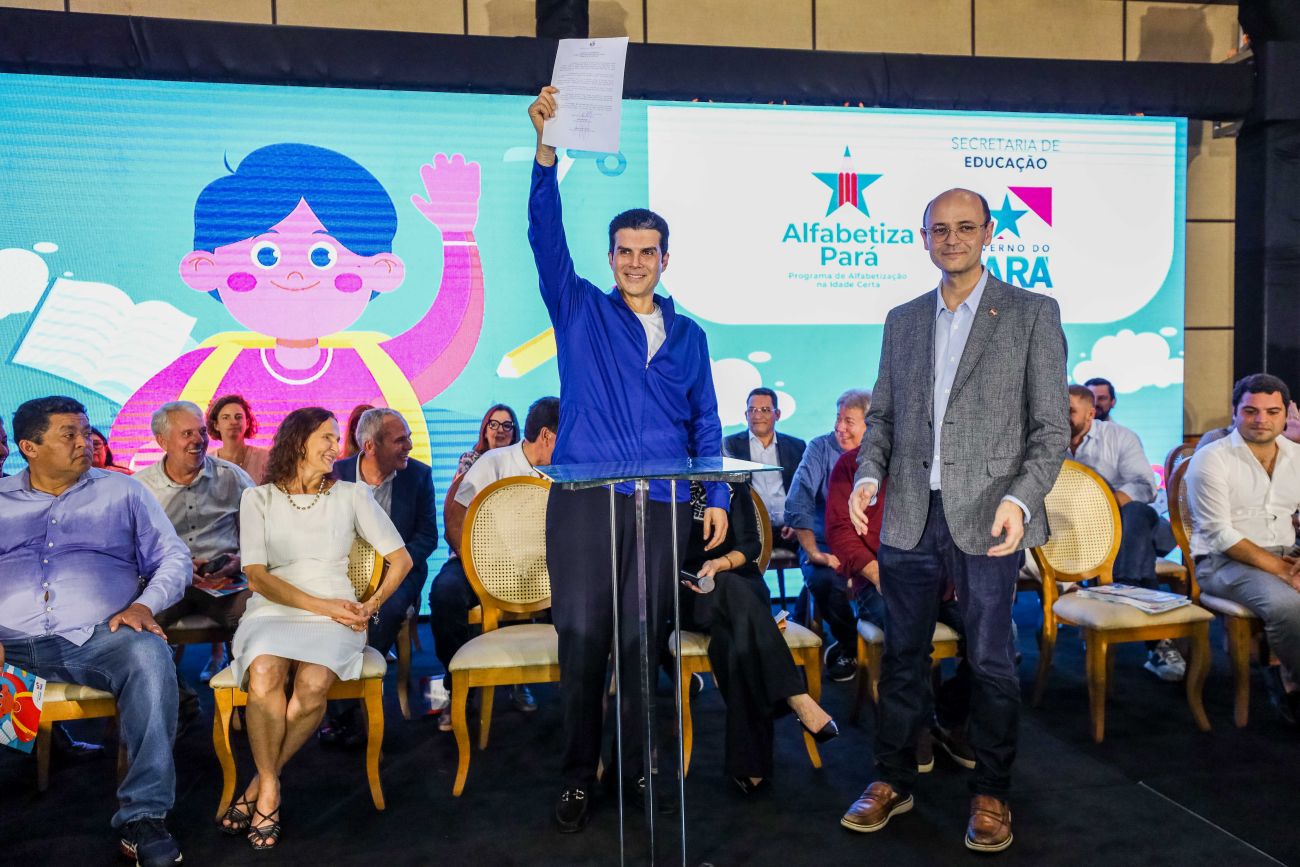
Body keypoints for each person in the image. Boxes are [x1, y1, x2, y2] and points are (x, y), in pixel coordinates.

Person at [842, 188, 1068, 853]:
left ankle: (992, 791)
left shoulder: (1031, 312)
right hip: (910, 515)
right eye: (939, 229)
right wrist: (869, 474)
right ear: (923, 238)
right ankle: (892, 778)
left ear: (989, 232)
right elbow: (883, 418)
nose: (952, 238)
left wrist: (1020, 500)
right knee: (903, 655)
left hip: (991, 515)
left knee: (992, 660)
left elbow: (1051, 430)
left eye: (965, 227)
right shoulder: (903, 319)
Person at [529, 86, 729, 833]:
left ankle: (640, 770)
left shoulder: (691, 336)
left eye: (648, 252)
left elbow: (705, 421)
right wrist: (545, 154)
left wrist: (714, 498)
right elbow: (544, 236)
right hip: (585, 505)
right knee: (583, 647)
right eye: (625, 251)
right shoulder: (580, 309)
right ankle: (579, 776)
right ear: (610, 257)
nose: (636, 262)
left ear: (664, 259)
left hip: (664, 505)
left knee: (645, 648)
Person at [0, 396, 191, 867]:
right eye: (69, 435)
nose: (84, 443)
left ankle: (143, 817)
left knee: (149, 655)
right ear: (29, 447)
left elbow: (174, 557)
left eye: (86, 433)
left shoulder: (123, 492)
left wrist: (145, 604)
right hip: (8, 643)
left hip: (96, 638)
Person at [221, 406, 412, 850]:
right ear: (299, 441)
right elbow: (258, 578)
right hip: (272, 610)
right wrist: (322, 606)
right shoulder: (258, 499)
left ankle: (259, 786)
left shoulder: (351, 495)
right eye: (326, 437)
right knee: (264, 672)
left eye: (335, 437)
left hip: (337, 613)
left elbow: (401, 559)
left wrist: (369, 606)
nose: (335, 446)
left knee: (312, 684)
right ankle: (270, 787)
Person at [679, 481, 837, 792]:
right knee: (734, 600)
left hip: (740, 585)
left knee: (732, 640)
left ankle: (750, 765)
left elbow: (751, 545)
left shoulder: (732, 482)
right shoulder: (666, 486)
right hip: (692, 591)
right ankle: (795, 695)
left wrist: (720, 564)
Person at [825, 448, 975, 771]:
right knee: (910, 637)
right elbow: (839, 530)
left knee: (998, 637)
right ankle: (917, 726)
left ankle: (947, 716)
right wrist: (878, 574)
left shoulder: (936, 458)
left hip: (943, 581)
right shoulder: (850, 465)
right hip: (879, 580)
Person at [428, 396, 560, 731]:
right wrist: (476, 563)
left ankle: (575, 695)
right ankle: (458, 687)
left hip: (540, 567)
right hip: (480, 562)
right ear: (547, 435)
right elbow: (455, 513)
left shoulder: (563, 470)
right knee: (444, 594)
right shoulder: (493, 462)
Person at [1186, 373, 1300, 726]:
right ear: (1234, 412)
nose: (1261, 419)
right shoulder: (1212, 458)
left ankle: (1283, 670)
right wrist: (1284, 572)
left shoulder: (1297, 456)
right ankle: (1292, 684)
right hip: (1222, 562)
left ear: (1286, 414)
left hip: (1286, 552)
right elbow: (1220, 535)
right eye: (1251, 411)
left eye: (1272, 411)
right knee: (1288, 605)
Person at [320, 407, 438, 746]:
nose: (409, 446)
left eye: (409, 438)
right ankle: (343, 702)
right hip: (342, 573)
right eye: (400, 440)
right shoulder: (335, 475)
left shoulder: (418, 476)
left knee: (384, 612)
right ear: (370, 446)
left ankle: (344, 709)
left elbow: (427, 537)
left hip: (399, 574)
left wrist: (392, 565)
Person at [1066, 385, 1185, 681]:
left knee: (1134, 513)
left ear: (1090, 413)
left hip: (1132, 525)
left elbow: (1145, 486)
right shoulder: (1043, 441)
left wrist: (1105, 505)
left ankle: (1121, 587)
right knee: (1137, 543)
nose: (1059, 416)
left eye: (1068, 411)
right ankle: (1157, 641)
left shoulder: (1119, 437)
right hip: (1079, 534)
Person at [136, 401, 255, 685]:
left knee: (258, 618)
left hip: (226, 580)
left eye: (201, 432)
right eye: (187, 434)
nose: (198, 440)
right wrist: (175, 565)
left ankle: (248, 698)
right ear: (162, 441)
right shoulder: (141, 487)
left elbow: (261, 531)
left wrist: (241, 559)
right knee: (139, 627)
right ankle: (178, 700)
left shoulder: (232, 477)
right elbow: (133, 549)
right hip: (168, 580)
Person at [784, 389, 872, 681]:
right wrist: (813, 553)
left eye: (849, 421)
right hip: (825, 541)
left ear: (870, 424)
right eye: (838, 419)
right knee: (825, 581)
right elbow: (799, 500)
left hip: (872, 544)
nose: (839, 427)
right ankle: (850, 645)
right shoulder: (820, 447)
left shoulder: (882, 452)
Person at [723, 387, 806, 552]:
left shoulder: (797, 446)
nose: (757, 415)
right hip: (750, 531)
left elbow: (805, 491)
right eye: (752, 410)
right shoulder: (729, 445)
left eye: (765, 410)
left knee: (817, 554)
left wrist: (797, 522)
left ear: (778, 414)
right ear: (745, 415)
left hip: (790, 529)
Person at [208, 394, 270, 483]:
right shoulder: (207, 463)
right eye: (225, 418)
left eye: (238, 417)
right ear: (216, 425)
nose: (233, 422)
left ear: (247, 423)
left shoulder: (265, 458)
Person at [456, 403, 520, 476]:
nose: (500, 430)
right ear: (485, 432)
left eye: (506, 425)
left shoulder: (521, 462)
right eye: (493, 424)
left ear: (514, 434)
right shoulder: (469, 460)